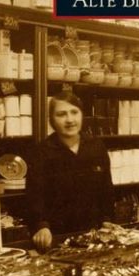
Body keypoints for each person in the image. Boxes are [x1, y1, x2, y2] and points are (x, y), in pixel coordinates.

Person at [26, 91, 114, 251]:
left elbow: (106, 189)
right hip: (55, 238)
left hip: (94, 236)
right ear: (51, 119)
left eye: (74, 112)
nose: (70, 120)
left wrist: (107, 220)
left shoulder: (96, 146)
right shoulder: (42, 152)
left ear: (82, 115)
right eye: (61, 114)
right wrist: (42, 226)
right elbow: (35, 196)